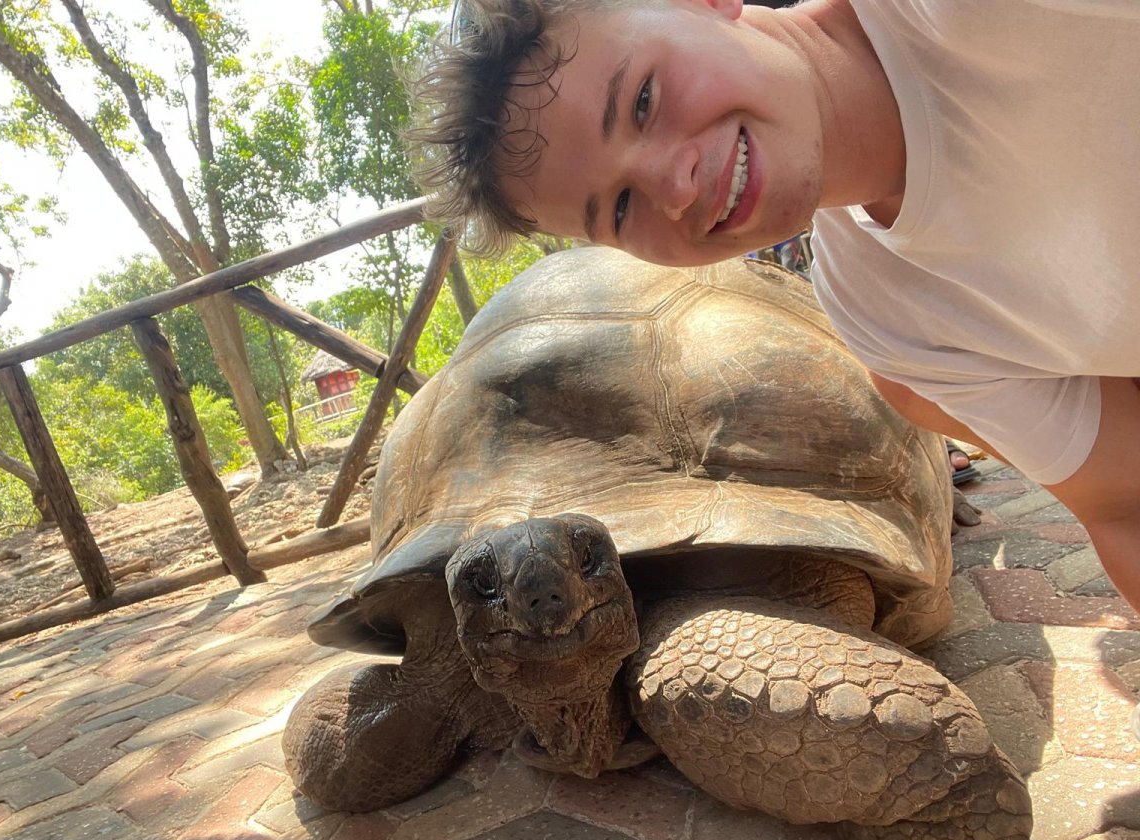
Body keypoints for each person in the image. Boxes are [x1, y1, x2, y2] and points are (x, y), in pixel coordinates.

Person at [408, 0, 1140, 618]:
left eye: (642, 100)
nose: (675, 185)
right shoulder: (889, 327)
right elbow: (1124, 503)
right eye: (622, 209)